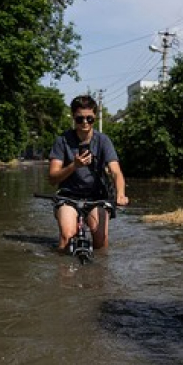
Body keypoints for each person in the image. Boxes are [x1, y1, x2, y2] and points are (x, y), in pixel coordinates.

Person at [48, 95, 128, 252]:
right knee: (66, 236)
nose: (85, 123)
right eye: (80, 119)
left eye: (89, 119)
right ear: (73, 117)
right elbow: (52, 177)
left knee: (101, 240)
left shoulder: (103, 141)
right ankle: (63, 272)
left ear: (95, 117)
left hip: (97, 198)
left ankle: (99, 274)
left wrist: (121, 194)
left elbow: (116, 171)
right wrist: (74, 166)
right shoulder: (61, 141)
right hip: (68, 197)